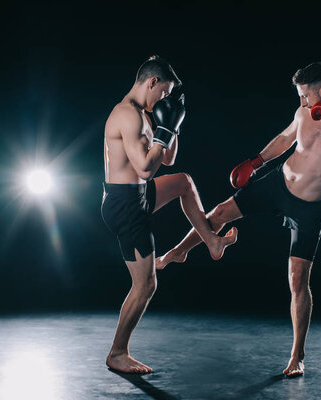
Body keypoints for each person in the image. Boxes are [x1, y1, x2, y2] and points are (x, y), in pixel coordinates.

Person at [155, 61, 321, 376]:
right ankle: (179, 252)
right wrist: (257, 161)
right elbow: (286, 139)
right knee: (218, 212)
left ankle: (297, 357)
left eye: (305, 95)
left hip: (309, 207)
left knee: (298, 280)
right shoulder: (304, 113)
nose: (302, 102)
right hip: (277, 184)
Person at [101, 55, 238, 374]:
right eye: (163, 93)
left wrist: (172, 123)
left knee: (183, 183)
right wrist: (163, 128)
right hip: (125, 206)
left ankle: (212, 243)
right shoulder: (126, 115)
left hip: (136, 194)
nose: (164, 99)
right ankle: (117, 353)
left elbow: (169, 160)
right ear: (151, 83)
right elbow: (146, 168)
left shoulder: (146, 113)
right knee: (146, 285)